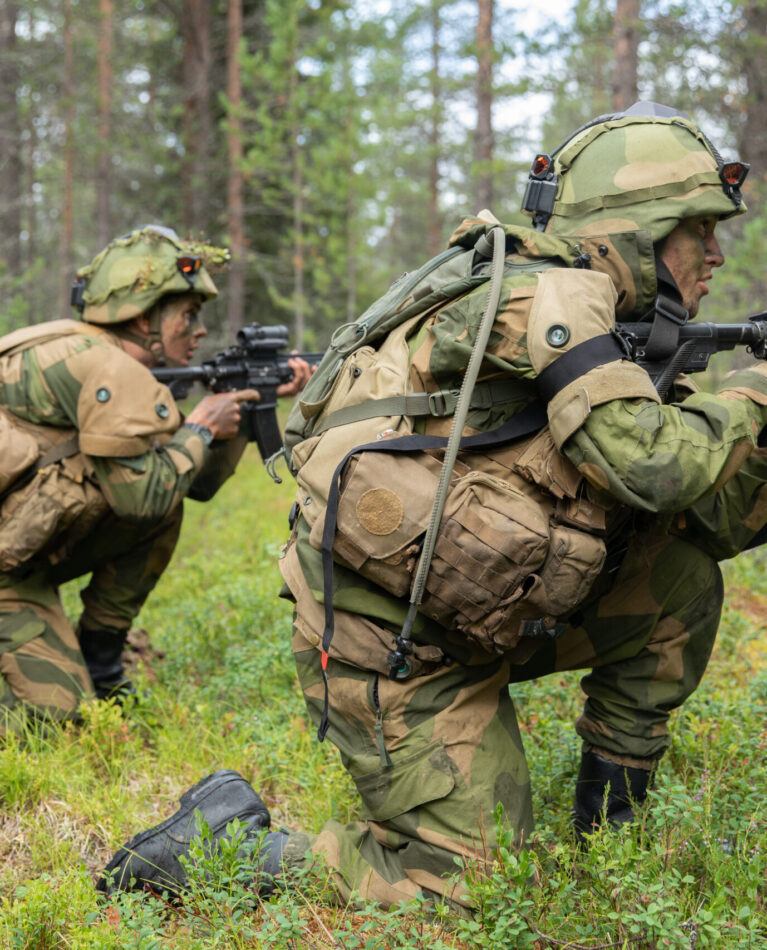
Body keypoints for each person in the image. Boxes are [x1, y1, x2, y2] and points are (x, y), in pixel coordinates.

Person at [102, 104, 767, 910]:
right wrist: (754, 397)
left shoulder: (597, 318)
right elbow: (657, 465)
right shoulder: (549, 297)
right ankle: (217, 845)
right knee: (463, 888)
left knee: (679, 578)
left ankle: (612, 832)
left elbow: (709, 512)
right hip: (390, 636)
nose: (716, 254)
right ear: (642, 229)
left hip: (476, 599)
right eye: (700, 229)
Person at [0, 224, 311, 726]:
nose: (200, 330)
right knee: (49, 720)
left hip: (23, 552)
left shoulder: (89, 351)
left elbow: (192, 484)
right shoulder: (110, 370)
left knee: (168, 492)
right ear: (144, 316)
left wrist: (243, 415)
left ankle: (99, 659)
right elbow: (142, 497)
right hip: (9, 567)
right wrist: (201, 428)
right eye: (187, 315)